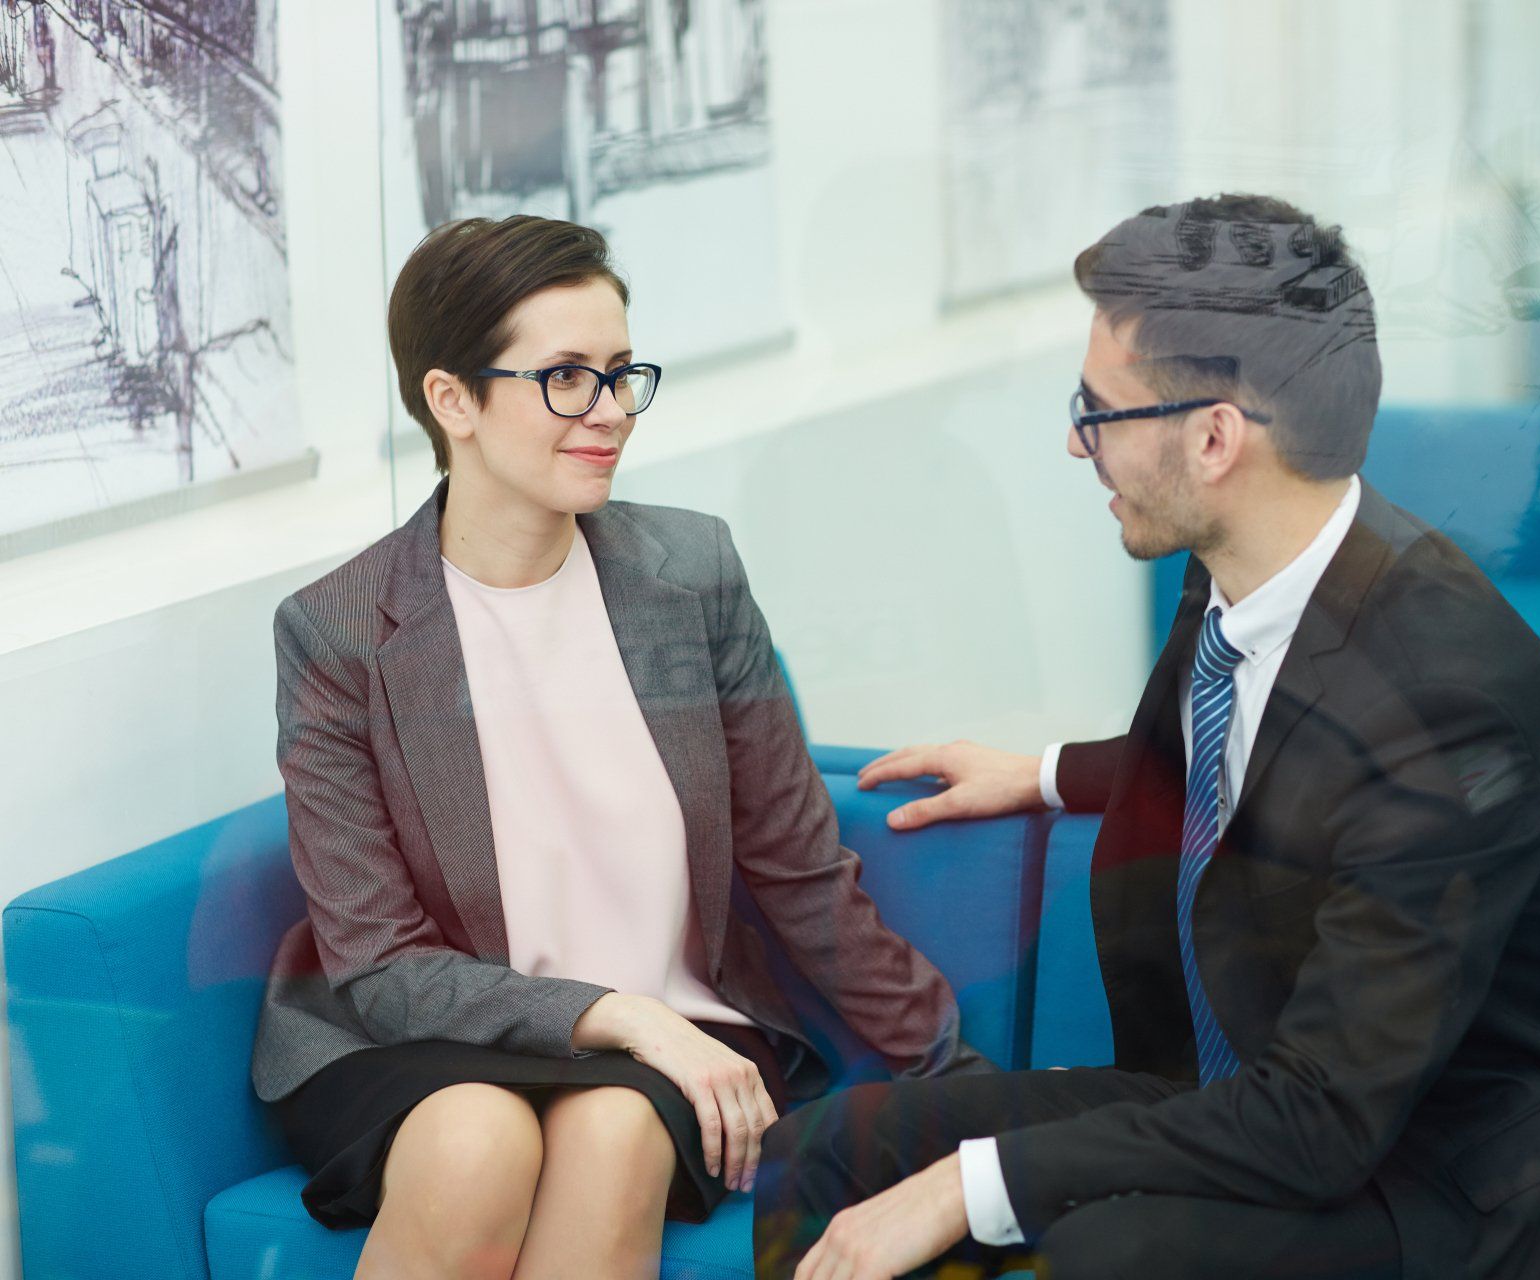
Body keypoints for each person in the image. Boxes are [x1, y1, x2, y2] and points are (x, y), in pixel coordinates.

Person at [751, 194, 1540, 1280]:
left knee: (1097, 1251)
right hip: (1251, 1091)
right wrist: (1048, 773)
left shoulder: (1447, 698)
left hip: (1457, 1159)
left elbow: (1324, 1118)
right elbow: (1264, 743)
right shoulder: (1241, 561)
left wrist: (969, 1184)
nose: (1074, 440)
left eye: (1098, 411)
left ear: (1215, 436)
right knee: (820, 1152)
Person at [249, 214, 987, 1280]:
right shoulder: (339, 630)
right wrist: (618, 1014)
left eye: (619, 373)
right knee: (474, 1140)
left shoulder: (692, 574)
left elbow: (797, 864)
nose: (608, 413)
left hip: (667, 1050)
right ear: (452, 400)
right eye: (564, 378)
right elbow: (380, 961)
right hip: (411, 1042)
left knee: (613, 1128)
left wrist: (962, 1080)